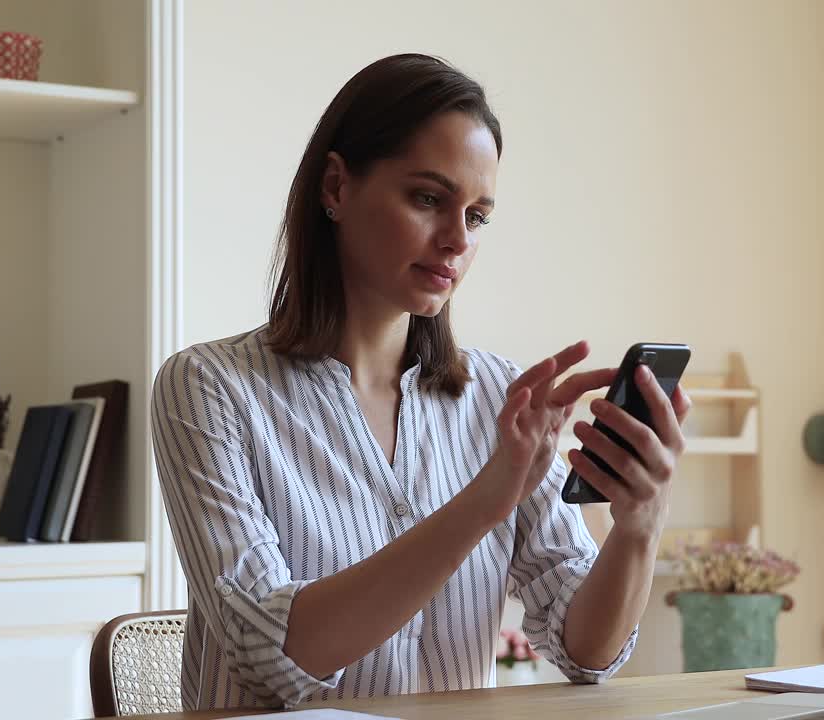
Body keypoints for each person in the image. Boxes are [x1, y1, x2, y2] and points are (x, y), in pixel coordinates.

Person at [150, 53, 691, 712]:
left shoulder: (501, 396)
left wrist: (639, 524)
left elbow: (587, 652)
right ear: (335, 188)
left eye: (479, 215)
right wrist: (484, 502)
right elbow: (275, 653)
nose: (457, 239)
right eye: (428, 198)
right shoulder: (207, 390)